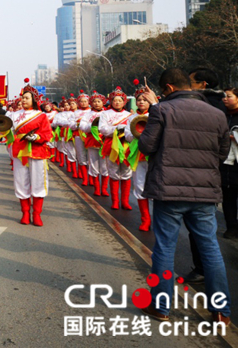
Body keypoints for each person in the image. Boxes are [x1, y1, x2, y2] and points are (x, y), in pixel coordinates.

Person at [138, 68, 231, 326]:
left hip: (168, 190)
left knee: (165, 247)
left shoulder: (161, 111)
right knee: (210, 248)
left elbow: (146, 146)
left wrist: (155, 109)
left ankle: (161, 307)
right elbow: (221, 154)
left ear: (167, 88)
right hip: (204, 191)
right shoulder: (217, 114)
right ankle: (221, 312)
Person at [8, 80, 53, 227]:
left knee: (38, 183)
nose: (23, 100)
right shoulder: (14, 115)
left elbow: (47, 134)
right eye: (22, 97)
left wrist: (36, 137)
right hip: (20, 152)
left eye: (26, 98)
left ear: (34, 100)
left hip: (37, 152)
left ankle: (37, 214)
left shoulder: (41, 116)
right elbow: (8, 131)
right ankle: (25, 213)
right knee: (21, 183)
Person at [98, 87, 134, 210]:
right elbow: (102, 129)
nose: (117, 102)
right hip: (111, 144)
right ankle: (115, 201)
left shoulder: (129, 115)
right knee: (113, 172)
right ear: (111, 101)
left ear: (124, 102)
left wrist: (120, 129)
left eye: (120, 100)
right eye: (115, 100)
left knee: (126, 172)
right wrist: (118, 128)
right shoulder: (105, 114)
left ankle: (125, 201)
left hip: (126, 145)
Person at [124, 81, 152, 231]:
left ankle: (159, 220)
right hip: (138, 153)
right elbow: (127, 134)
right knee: (140, 185)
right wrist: (136, 134)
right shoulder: (131, 117)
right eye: (139, 100)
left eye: (145, 99)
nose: (141, 102)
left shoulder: (157, 114)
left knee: (157, 185)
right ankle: (145, 219)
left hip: (154, 155)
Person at [220, 87, 238, 239]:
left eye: (229, 96)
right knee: (227, 197)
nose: (225, 99)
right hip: (225, 163)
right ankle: (231, 226)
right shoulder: (221, 116)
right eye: (224, 96)